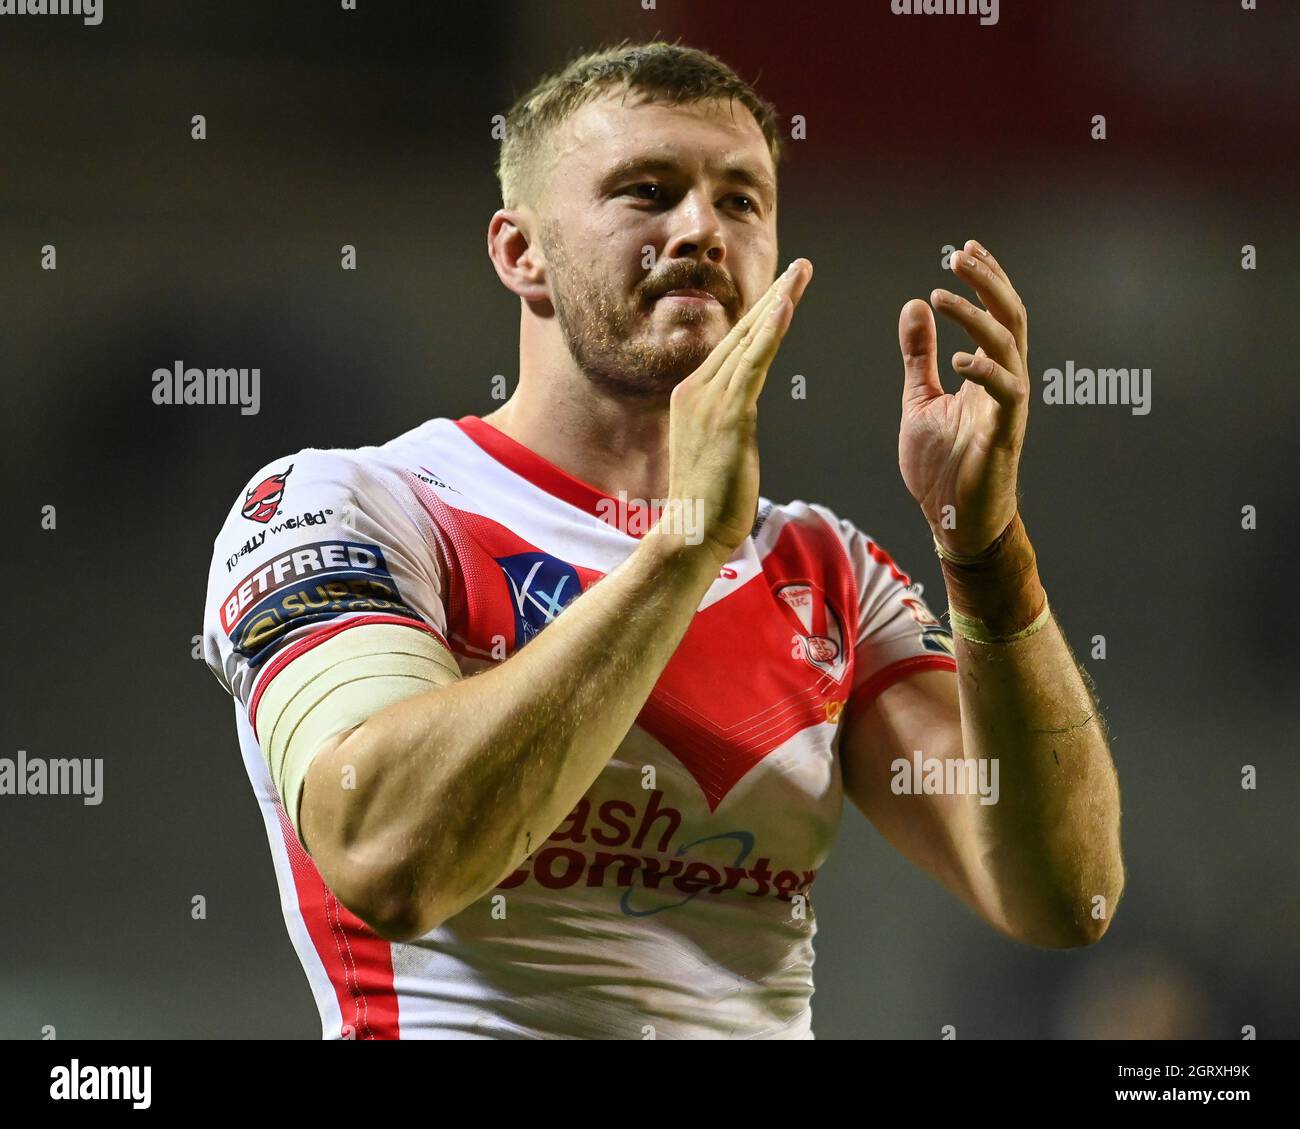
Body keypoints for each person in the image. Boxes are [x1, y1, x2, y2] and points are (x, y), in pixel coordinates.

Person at [202, 40, 1123, 1040]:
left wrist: (985, 557)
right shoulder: (351, 503)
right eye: (647, 191)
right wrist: (683, 547)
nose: (701, 230)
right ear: (521, 253)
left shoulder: (827, 572)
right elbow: (388, 858)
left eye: (741, 200)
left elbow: (1063, 898)